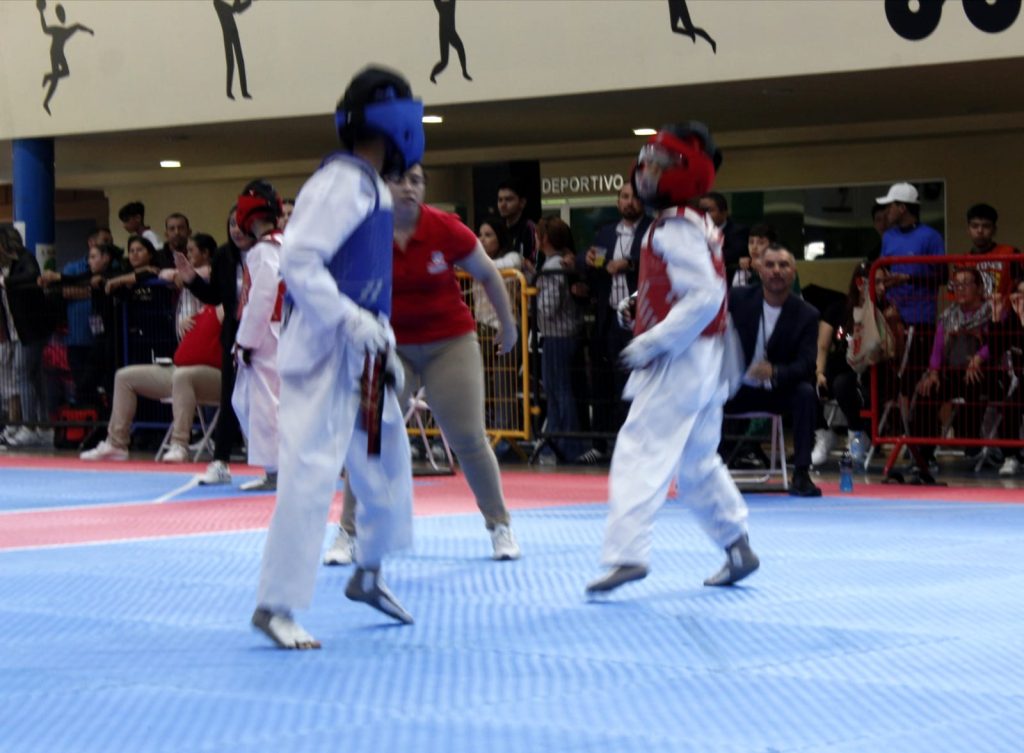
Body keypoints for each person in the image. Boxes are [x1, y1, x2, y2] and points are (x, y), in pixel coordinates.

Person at [252, 65, 425, 649]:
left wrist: (379, 337)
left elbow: (365, 275)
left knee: (385, 462)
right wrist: (350, 321)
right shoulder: (340, 183)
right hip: (326, 353)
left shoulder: (370, 186)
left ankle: (368, 571)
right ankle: (275, 605)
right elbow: (299, 261)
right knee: (309, 473)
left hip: (365, 354)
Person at [586, 122, 759, 595]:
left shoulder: (675, 226)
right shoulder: (692, 222)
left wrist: (654, 341)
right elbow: (687, 287)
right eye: (646, 162)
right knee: (696, 462)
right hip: (705, 356)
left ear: (686, 173)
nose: (647, 172)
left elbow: (704, 295)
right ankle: (736, 544)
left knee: (640, 449)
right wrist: (642, 304)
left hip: (681, 357)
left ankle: (627, 554)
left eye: (660, 165)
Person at [324, 163, 520, 565]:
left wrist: (509, 325)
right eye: (399, 180)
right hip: (389, 346)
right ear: (382, 186)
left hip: (450, 343)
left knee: (469, 438)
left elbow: (488, 274)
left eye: (416, 181)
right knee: (369, 438)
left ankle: (499, 525)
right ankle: (348, 532)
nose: (408, 188)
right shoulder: (363, 232)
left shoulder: (446, 228)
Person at [724, 244, 822, 497]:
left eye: (783, 265)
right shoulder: (737, 299)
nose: (776, 271)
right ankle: (703, 472)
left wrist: (775, 371)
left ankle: (802, 473)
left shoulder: (807, 314)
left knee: (805, 393)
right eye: (770, 265)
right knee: (704, 392)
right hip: (735, 388)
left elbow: (806, 364)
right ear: (759, 270)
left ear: (794, 272)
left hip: (777, 390)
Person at [79, 303, 223, 462]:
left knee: (182, 376)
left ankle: (179, 445)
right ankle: (116, 444)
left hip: (216, 376)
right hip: (179, 370)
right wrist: (184, 323)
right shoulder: (203, 308)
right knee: (124, 377)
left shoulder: (228, 307)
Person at [175, 208, 252, 487]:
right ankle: (220, 462)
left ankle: (283, 465)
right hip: (234, 338)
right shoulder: (223, 255)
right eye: (231, 224)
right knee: (230, 398)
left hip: (268, 336)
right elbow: (215, 296)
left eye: (240, 223)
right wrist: (191, 279)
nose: (236, 229)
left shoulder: (269, 253)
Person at [578, 183, 652, 461]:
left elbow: (661, 261)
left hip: (642, 319)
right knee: (602, 381)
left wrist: (630, 264)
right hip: (608, 317)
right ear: (618, 201)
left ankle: (637, 445)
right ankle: (600, 445)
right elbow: (588, 260)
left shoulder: (653, 229)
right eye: (624, 197)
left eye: (634, 197)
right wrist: (586, 261)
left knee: (636, 383)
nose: (629, 202)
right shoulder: (606, 232)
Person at [231, 180, 285, 492]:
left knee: (260, 404)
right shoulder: (284, 245)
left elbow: (261, 298)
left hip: (266, 335)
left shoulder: (264, 251)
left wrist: (245, 342)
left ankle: (276, 471)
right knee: (253, 401)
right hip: (283, 331)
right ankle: (282, 467)